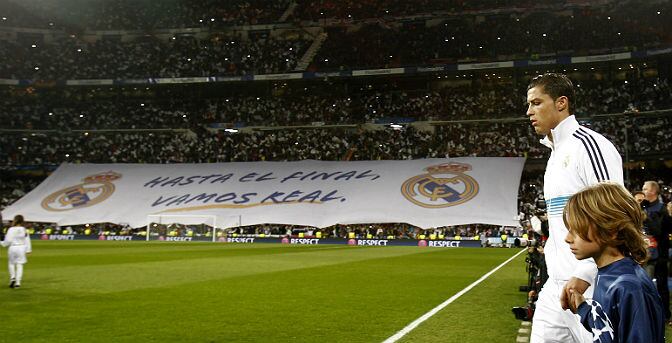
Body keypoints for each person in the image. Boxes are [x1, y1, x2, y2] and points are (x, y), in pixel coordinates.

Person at [526, 73, 623, 343]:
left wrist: (584, 275)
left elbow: (616, 215)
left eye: (536, 103)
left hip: (590, 287)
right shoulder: (554, 155)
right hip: (555, 287)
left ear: (561, 103)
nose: (529, 111)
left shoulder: (590, 146)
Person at [563, 182, 665, 342]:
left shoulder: (628, 287)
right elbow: (608, 329)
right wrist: (583, 309)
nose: (567, 238)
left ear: (611, 230)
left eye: (577, 229)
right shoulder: (607, 272)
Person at [641, 180, 672, 322]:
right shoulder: (643, 207)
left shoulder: (661, 209)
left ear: (653, 191)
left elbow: (659, 231)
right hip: (646, 254)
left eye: (645, 188)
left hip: (660, 256)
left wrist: (646, 218)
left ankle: (665, 314)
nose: (643, 191)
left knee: (661, 286)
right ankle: (650, 313)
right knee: (645, 286)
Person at [1, 214, 32, 288]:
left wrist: (3, 244)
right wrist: (28, 250)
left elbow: (8, 240)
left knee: (11, 263)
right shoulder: (24, 230)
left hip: (12, 247)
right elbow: (27, 240)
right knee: (19, 265)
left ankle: (12, 277)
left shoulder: (11, 229)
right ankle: (18, 283)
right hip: (21, 247)